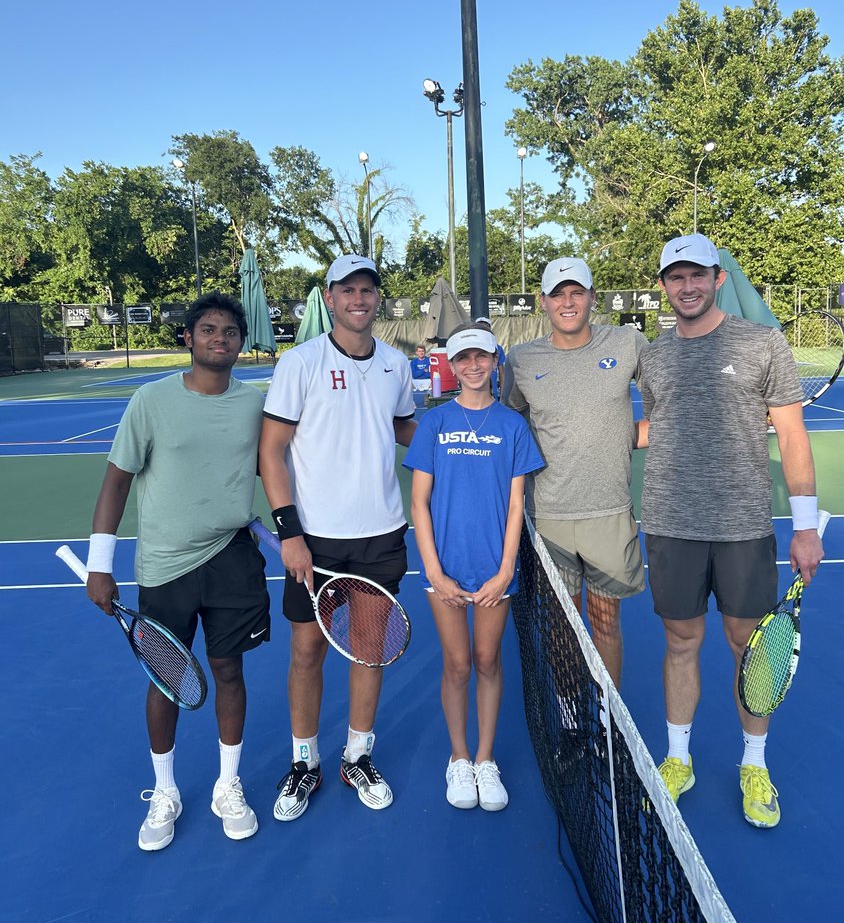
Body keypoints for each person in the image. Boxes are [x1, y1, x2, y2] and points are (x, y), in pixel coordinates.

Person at [638, 233, 824, 829]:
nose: (687, 287)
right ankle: (677, 759)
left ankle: (753, 762)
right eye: (675, 277)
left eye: (698, 276)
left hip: (744, 525)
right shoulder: (653, 355)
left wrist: (805, 528)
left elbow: (792, 437)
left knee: (749, 646)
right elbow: (654, 428)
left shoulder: (763, 343)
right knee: (680, 643)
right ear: (664, 286)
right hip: (670, 524)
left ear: (718, 279)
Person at [85, 292, 269, 851]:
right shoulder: (151, 399)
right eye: (208, 330)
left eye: (230, 331)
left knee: (228, 671)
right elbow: (116, 481)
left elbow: (279, 468)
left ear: (242, 341)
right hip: (165, 565)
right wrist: (100, 564)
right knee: (166, 679)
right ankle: (164, 791)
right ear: (189, 338)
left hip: (233, 557)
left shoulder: (254, 404)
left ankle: (227, 785)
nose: (220, 338)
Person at [258, 254, 417, 820]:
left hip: (381, 537)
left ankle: (357, 756)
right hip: (315, 541)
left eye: (367, 290)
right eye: (346, 290)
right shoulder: (299, 363)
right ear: (329, 298)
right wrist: (290, 534)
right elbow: (271, 450)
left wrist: (463, 449)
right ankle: (305, 762)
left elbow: (403, 428)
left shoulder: (396, 366)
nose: (358, 299)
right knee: (306, 652)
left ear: (378, 299)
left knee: (368, 651)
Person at [404, 325, 544, 811]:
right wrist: (435, 572)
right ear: (452, 365)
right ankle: (458, 758)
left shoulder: (513, 427)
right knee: (458, 664)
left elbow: (515, 508)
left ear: (494, 362)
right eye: (463, 358)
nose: (472, 366)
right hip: (442, 570)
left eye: (481, 357)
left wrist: (506, 570)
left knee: (487, 661)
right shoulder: (435, 423)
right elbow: (419, 503)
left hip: (494, 572)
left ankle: (485, 760)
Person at [501, 257, 648, 690]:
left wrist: (630, 435)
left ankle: (607, 717)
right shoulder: (522, 359)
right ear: (543, 302)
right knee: (563, 625)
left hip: (610, 512)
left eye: (576, 292)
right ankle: (567, 711)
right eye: (558, 294)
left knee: (605, 621)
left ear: (592, 298)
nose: (568, 302)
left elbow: (671, 398)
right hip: (548, 517)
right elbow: (512, 426)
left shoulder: (628, 343)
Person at [474, 316, 506, 399]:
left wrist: (502, 396)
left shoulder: (498, 348)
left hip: (492, 395)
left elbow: (502, 373)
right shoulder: (471, 349)